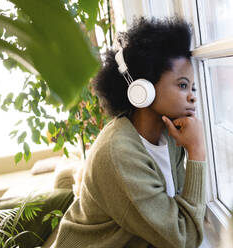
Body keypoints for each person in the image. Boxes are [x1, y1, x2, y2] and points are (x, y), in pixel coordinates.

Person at [53, 17, 206, 248]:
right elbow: (184, 239)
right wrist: (197, 151)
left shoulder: (170, 137)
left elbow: (179, 215)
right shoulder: (119, 153)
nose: (192, 96)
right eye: (183, 85)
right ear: (141, 90)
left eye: (192, 87)